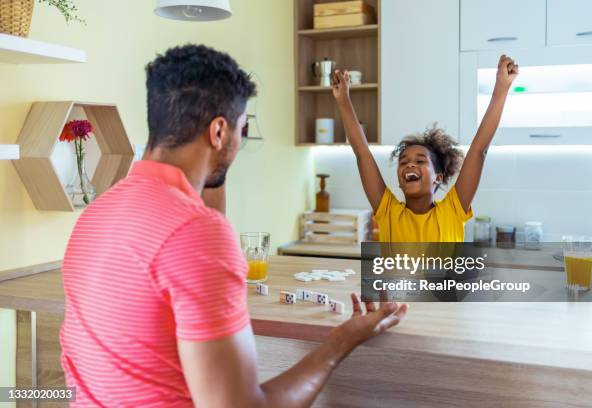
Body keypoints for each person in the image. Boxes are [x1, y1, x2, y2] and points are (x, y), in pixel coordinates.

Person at [60, 44, 408, 407]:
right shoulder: (195, 233)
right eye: (243, 128)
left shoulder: (97, 212)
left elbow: (195, 236)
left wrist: (213, 166)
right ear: (219, 131)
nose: (241, 143)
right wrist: (341, 341)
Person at [332, 55, 519, 242]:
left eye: (420, 160)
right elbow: (362, 153)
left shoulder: (452, 210)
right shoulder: (388, 212)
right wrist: (343, 99)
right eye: (403, 162)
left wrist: (501, 89)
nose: (409, 165)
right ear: (399, 180)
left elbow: (479, 150)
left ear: (438, 177)